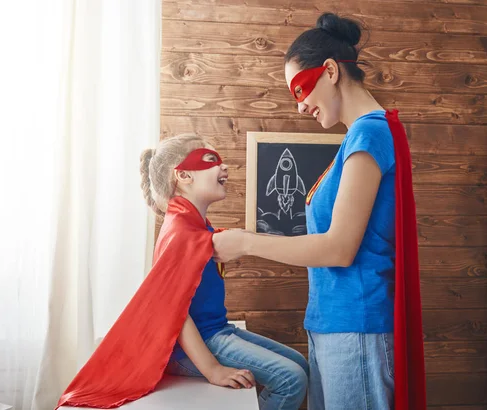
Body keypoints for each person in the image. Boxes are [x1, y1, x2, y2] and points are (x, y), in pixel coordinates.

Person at [212, 12, 427, 410]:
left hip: (357, 329)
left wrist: (246, 242)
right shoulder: (354, 140)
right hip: (333, 326)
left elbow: (337, 249)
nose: (300, 107)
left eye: (299, 90)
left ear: (329, 71)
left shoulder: (369, 134)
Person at [57, 134, 308, 410]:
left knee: (300, 365)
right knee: (291, 378)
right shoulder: (181, 231)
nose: (224, 167)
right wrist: (213, 369)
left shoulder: (194, 225)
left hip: (216, 330)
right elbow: (172, 308)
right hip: (199, 343)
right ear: (184, 175)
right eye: (211, 160)